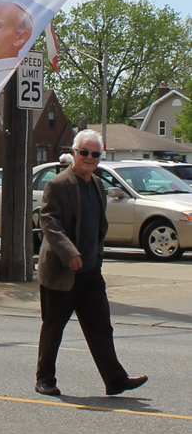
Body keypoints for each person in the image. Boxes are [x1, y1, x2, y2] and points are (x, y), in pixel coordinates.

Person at [35, 129, 148, 397]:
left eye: (95, 154)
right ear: (74, 153)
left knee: (100, 326)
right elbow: (49, 221)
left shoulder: (97, 184)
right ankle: (44, 379)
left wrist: (96, 255)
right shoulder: (59, 184)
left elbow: (99, 225)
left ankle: (115, 380)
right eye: (84, 152)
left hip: (90, 272)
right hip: (62, 271)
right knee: (54, 326)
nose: (89, 158)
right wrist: (70, 252)